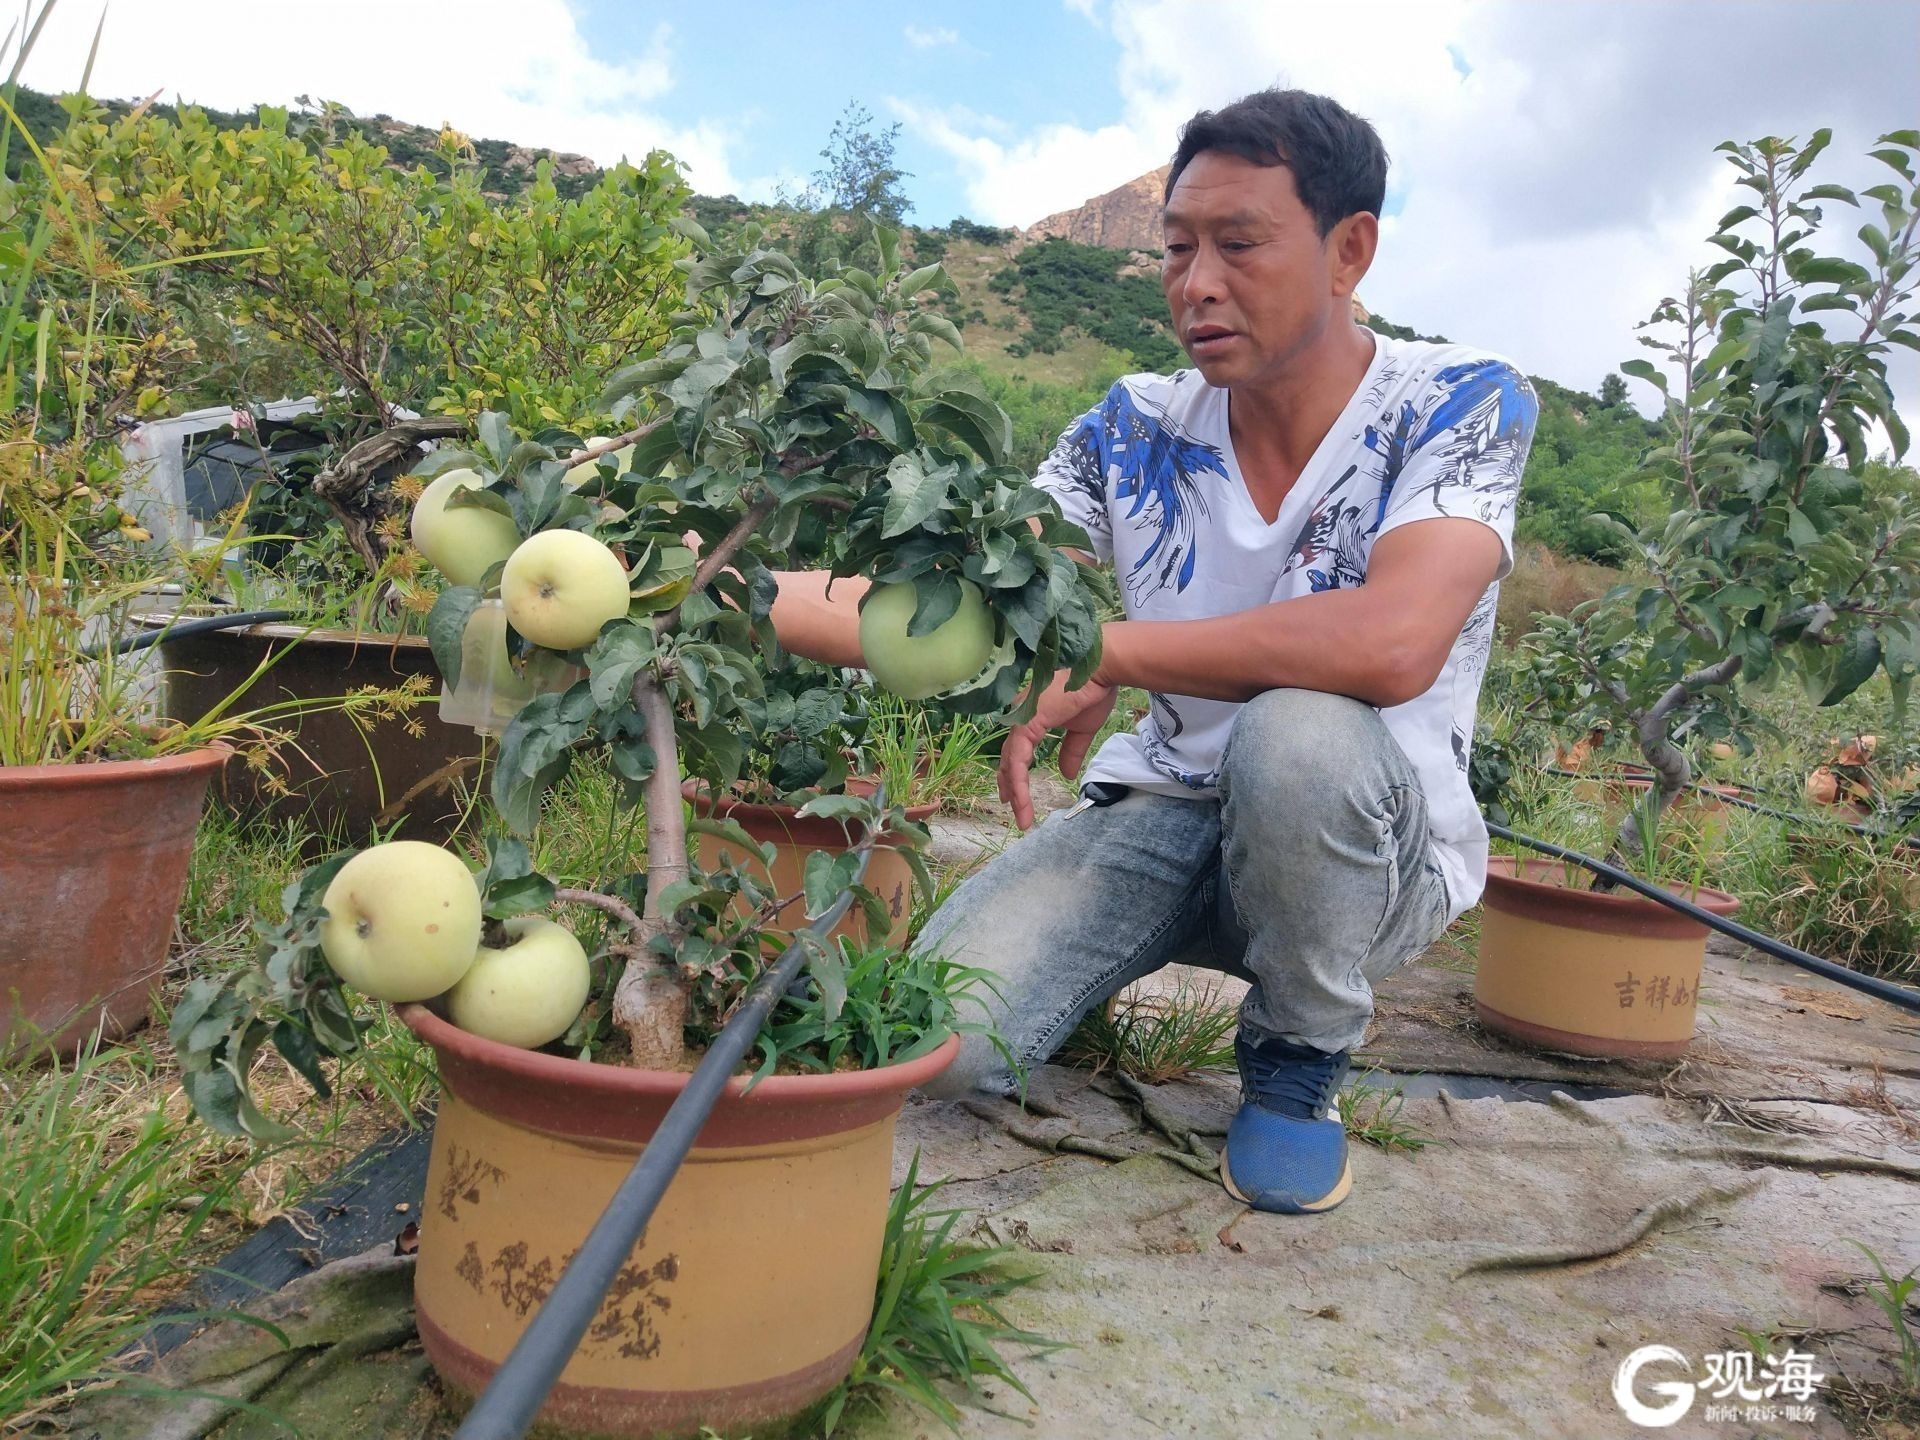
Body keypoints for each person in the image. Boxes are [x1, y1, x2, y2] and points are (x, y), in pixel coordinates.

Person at [770, 87, 1537, 1215]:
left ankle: (1297, 1053)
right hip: (1168, 808)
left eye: (1239, 245)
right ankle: (1089, 957)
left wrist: (1108, 657)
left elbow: (1390, 644)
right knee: (943, 1045)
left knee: (1301, 731)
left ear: (1349, 250)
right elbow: (962, 602)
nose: (1198, 284)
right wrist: (712, 585)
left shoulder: (1457, 399)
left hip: (1363, 849)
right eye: (1178, 250)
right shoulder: (1133, 426)